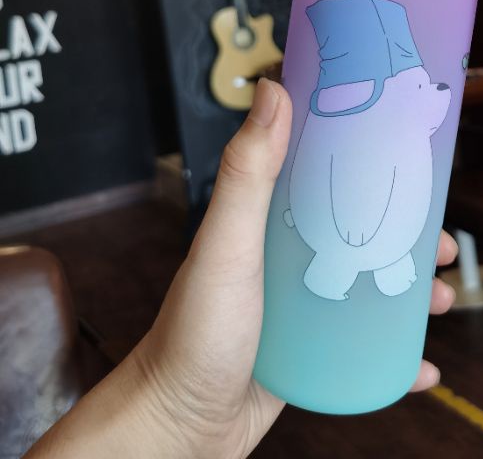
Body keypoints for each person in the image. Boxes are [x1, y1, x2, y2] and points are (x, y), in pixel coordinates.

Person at [26, 80, 458, 458]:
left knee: (404, 256)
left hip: (371, 262)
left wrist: (170, 413)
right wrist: (172, 407)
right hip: (330, 236)